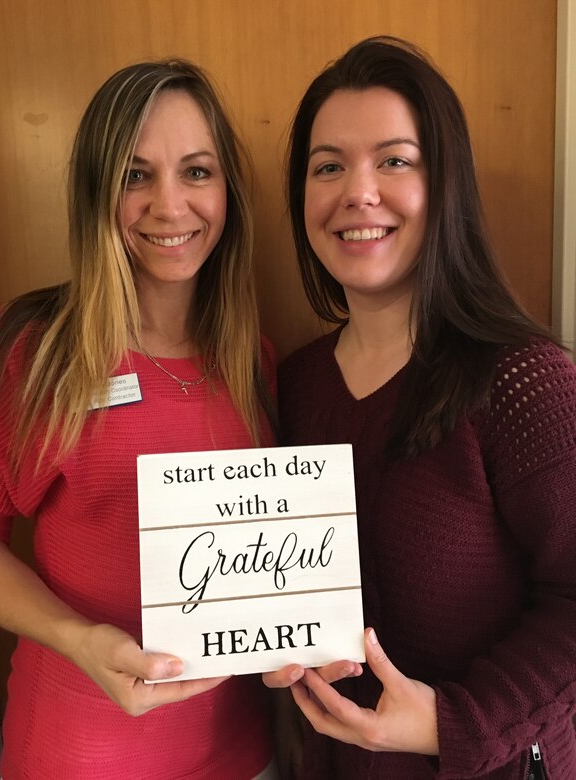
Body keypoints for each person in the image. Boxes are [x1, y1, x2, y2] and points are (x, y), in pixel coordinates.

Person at [265, 36, 576, 779]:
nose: (357, 192)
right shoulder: (293, 383)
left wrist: (451, 722)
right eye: (328, 165)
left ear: (446, 186)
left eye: (394, 160)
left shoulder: (523, 381)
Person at [0, 59, 278, 779]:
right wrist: (80, 639)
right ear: (97, 192)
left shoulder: (258, 364)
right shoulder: (32, 351)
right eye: (135, 175)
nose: (169, 206)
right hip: (78, 753)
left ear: (228, 192)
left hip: (243, 754)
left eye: (197, 171)